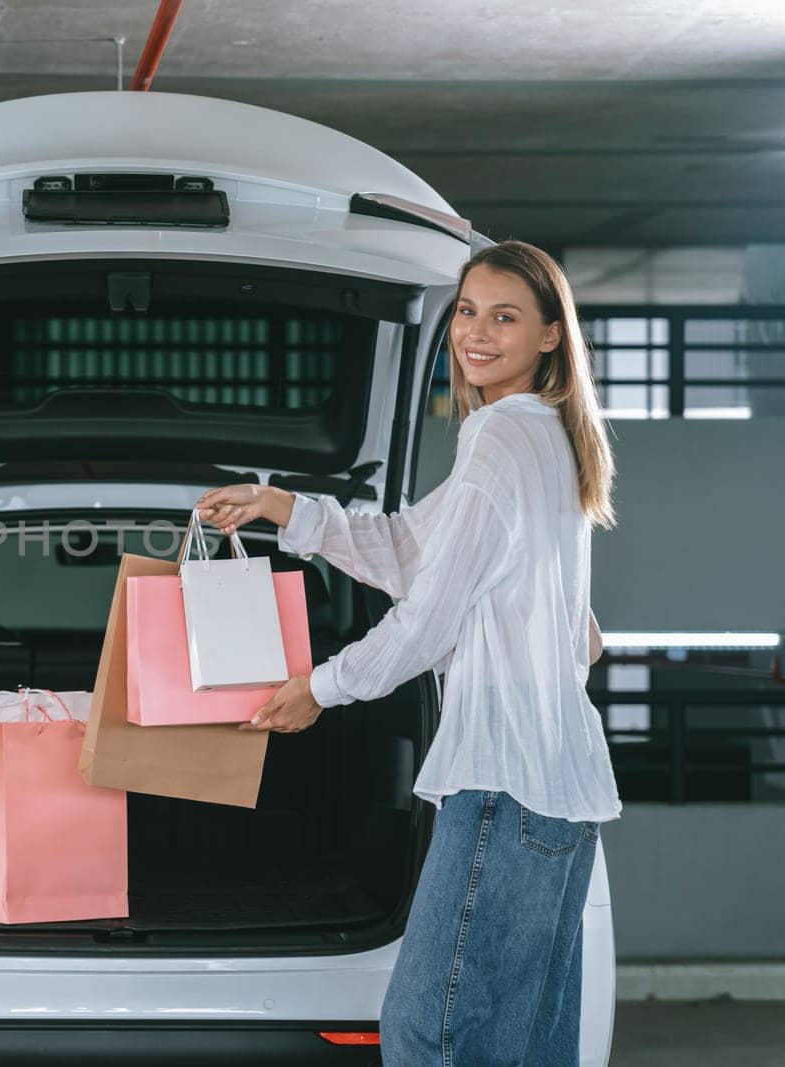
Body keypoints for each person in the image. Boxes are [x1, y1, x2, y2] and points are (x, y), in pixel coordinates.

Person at [197, 240, 620, 1066]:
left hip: (503, 783)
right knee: (528, 1045)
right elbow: (412, 548)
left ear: (548, 337)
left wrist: (322, 686)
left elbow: (428, 613)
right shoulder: (551, 439)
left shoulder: (501, 434)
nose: (477, 333)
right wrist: (283, 505)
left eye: (505, 316)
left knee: (434, 1034)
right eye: (467, 311)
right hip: (559, 794)